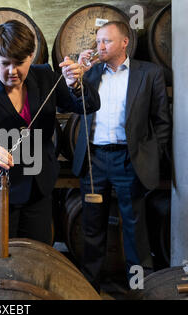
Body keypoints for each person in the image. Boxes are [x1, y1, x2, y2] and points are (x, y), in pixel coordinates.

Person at [0, 20, 100, 248]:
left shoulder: (45, 77)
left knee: (35, 257)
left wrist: (75, 85)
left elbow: (86, 106)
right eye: (4, 63)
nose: (12, 71)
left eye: (19, 63)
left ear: (31, 56)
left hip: (37, 189)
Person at [73, 21, 172, 292]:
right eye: (98, 41)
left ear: (124, 42)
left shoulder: (149, 73)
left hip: (130, 159)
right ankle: (90, 287)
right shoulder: (90, 73)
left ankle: (139, 288)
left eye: (106, 41)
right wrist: (78, 74)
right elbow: (73, 103)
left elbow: (162, 121)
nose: (99, 46)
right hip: (94, 160)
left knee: (134, 228)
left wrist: (152, 154)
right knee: (92, 227)